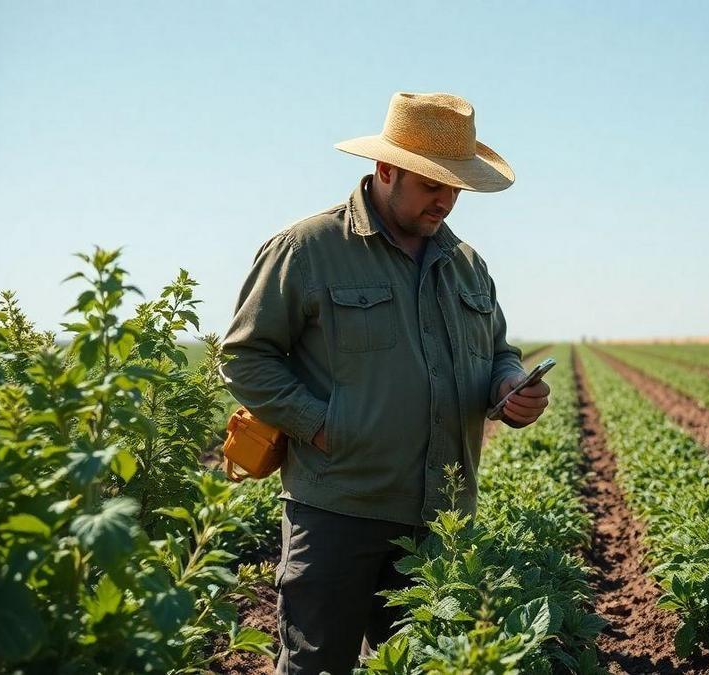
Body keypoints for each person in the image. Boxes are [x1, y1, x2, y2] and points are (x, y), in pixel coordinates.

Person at [219, 91, 549, 675]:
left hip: (441, 519)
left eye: (455, 188)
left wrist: (511, 387)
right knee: (317, 664)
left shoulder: (467, 264)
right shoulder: (310, 249)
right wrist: (322, 427)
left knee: (420, 666)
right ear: (386, 169)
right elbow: (246, 356)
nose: (446, 201)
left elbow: (498, 351)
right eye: (431, 185)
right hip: (338, 512)